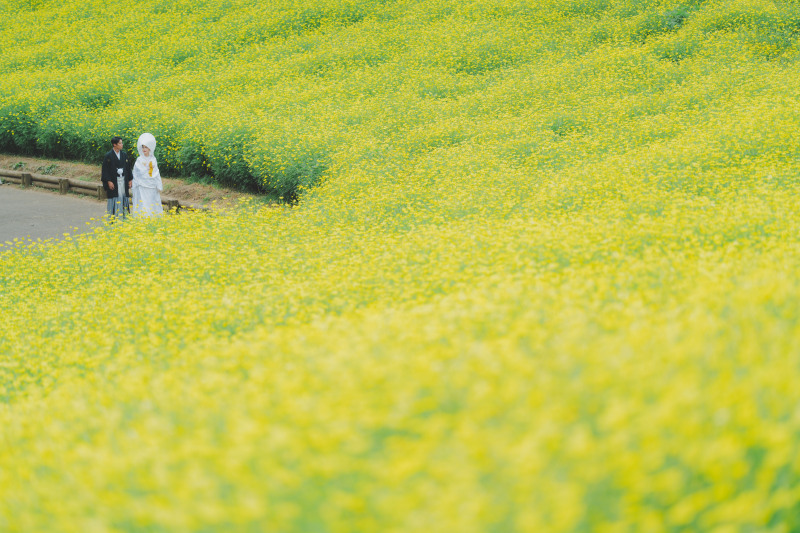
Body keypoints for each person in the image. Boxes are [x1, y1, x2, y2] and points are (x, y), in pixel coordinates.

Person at [131, 133, 163, 217]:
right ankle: (143, 218)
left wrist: (158, 184)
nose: (144, 149)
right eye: (143, 147)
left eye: (146, 147)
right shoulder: (139, 159)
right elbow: (136, 172)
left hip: (152, 185)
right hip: (142, 185)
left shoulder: (153, 159)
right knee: (143, 203)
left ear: (149, 148)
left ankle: (152, 218)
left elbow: (156, 173)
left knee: (152, 203)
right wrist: (146, 168)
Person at [101, 136, 133, 219]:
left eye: (122, 143)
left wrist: (130, 179)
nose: (122, 145)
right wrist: (108, 181)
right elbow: (105, 170)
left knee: (123, 196)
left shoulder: (124, 155)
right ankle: (113, 217)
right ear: (114, 144)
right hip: (114, 181)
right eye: (120, 143)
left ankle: (124, 216)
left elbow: (128, 168)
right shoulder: (108, 156)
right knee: (114, 197)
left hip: (123, 180)